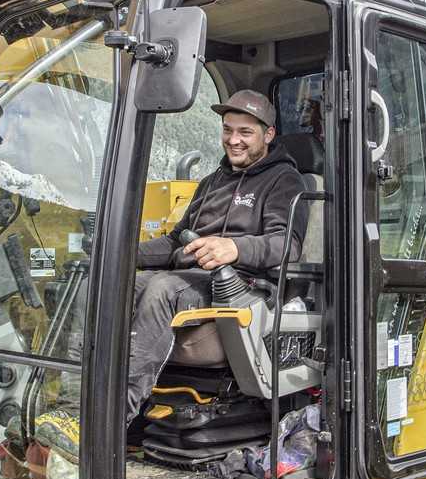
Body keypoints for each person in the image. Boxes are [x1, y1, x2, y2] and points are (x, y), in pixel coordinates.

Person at [127, 89, 307, 423]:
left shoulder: (284, 180)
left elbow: (287, 245)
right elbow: (174, 241)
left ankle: (116, 414)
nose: (233, 140)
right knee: (117, 284)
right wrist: (121, 255)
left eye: (245, 132)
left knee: (162, 289)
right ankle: (79, 396)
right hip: (193, 279)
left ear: (268, 135)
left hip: (241, 286)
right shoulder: (211, 183)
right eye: (227, 129)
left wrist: (234, 248)